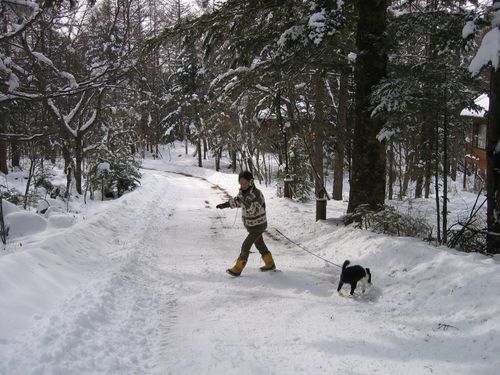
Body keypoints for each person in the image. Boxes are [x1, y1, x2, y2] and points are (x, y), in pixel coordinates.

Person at [216, 171, 276, 276]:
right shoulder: (243, 193)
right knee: (260, 244)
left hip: (258, 226)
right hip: (251, 226)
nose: (243, 185)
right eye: (241, 183)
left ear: (251, 182)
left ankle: (238, 268)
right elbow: (236, 202)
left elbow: (255, 210)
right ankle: (270, 263)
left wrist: (245, 202)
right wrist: (224, 205)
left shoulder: (256, 194)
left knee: (245, 246)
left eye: (245, 183)